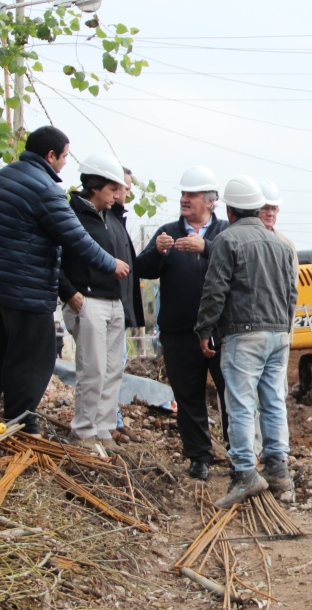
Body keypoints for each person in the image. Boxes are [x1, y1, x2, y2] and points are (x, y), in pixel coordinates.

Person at [0, 126, 128, 435]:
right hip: (30, 286)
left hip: (1, 282)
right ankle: (20, 421)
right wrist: (110, 263)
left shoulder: (2, 178)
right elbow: (76, 239)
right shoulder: (45, 190)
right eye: (64, 156)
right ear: (50, 155)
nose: (65, 163)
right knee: (33, 357)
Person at [196, 175, 297, 508]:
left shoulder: (228, 239)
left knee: (240, 404)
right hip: (278, 333)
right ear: (257, 207)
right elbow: (291, 292)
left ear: (230, 209)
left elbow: (215, 290)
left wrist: (205, 329)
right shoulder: (281, 244)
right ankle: (279, 470)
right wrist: (284, 328)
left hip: (244, 333)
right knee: (273, 401)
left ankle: (245, 474)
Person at [135, 166, 229, 479]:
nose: (185, 200)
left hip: (221, 331)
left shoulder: (225, 233)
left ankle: (238, 452)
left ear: (210, 200)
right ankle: (199, 457)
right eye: (183, 194)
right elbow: (142, 269)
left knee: (232, 394)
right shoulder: (168, 232)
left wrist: (207, 249)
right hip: (179, 332)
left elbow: (241, 266)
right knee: (188, 397)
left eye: (191, 195)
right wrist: (158, 253)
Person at [58, 153, 130, 449]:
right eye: (113, 189)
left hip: (113, 300)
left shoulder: (108, 218)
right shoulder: (70, 214)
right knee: (93, 368)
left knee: (113, 369)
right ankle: (83, 431)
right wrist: (68, 291)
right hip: (86, 299)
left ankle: (103, 427)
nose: (118, 195)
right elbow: (53, 256)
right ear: (95, 186)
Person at [109, 167, 145, 443]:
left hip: (117, 305)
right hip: (106, 304)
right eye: (126, 187)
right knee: (106, 366)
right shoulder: (103, 220)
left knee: (115, 365)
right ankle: (107, 421)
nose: (129, 192)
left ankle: (113, 419)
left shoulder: (116, 220)